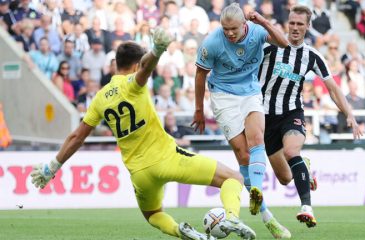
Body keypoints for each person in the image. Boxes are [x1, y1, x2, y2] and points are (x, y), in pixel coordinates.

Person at [30, 28, 256, 240]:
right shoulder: (133, 83)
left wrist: (53, 167)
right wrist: (157, 50)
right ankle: (233, 218)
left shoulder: (100, 98)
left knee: (152, 214)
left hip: (139, 173)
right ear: (136, 65)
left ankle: (180, 230)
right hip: (167, 158)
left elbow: (76, 137)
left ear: (115, 64)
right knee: (233, 178)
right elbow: (146, 69)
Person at [192, 3, 291, 239]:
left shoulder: (257, 31)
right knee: (243, 154)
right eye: (225, 29)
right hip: (223, 96)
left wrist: (265, 22)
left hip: (250, 92)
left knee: (257, 140)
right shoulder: (212, 43)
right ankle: (267, 216)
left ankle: (255, 189)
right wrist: (198, 109)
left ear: (244, 24)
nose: (229, 33)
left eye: (233, 28)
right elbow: (200, 75)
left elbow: (284, 43)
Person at [258, 5, 363, 228]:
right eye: (292, 23)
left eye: (300, 24)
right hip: (264, 117)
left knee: (291, 151)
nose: (295, 28)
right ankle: (302, 165)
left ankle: (306, 206)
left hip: (291, 113)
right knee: (285, 178)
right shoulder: (269, 45)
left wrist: (349, 114)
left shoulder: (312, 56)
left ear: (308, 26)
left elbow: (333, 88)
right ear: (288, 23)